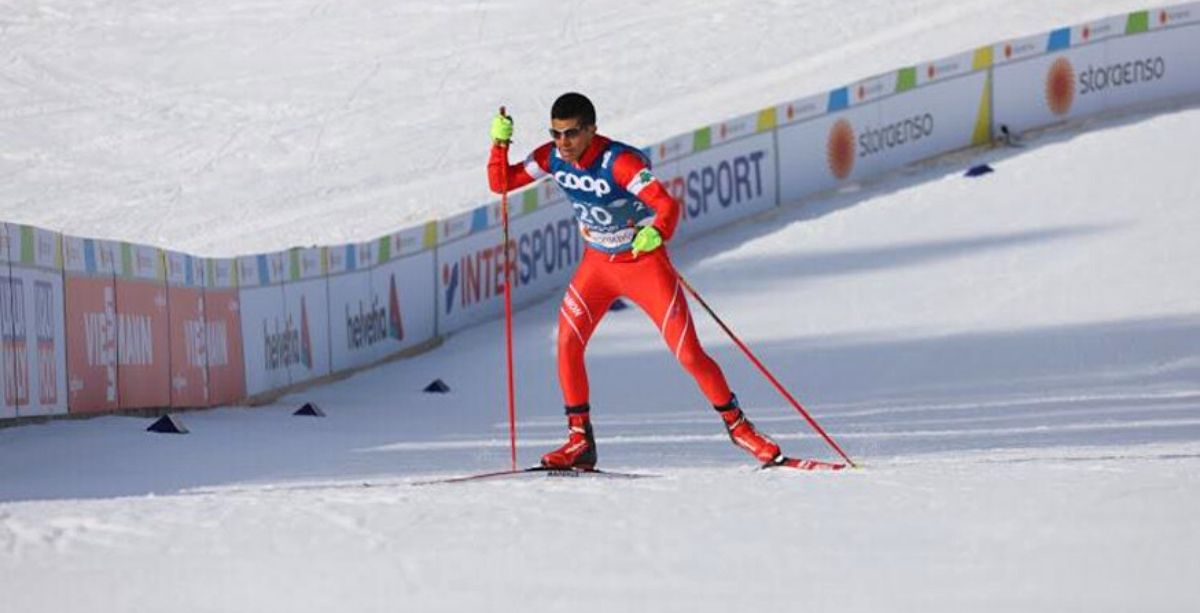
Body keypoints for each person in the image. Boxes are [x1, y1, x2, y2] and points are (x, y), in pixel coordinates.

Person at [487, 92, 785, 469]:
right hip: (597, 266)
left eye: (572, 134)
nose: (563, 143)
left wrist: (657, 232)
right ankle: (580, 441)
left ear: (592, 130)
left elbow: (666, 205)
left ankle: (739, 426)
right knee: (566, 344)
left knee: (689, 353)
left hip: (642, 265)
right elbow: (502, 182)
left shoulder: (620, 162)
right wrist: (500, 143)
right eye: (557, 133)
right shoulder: (551, 157)